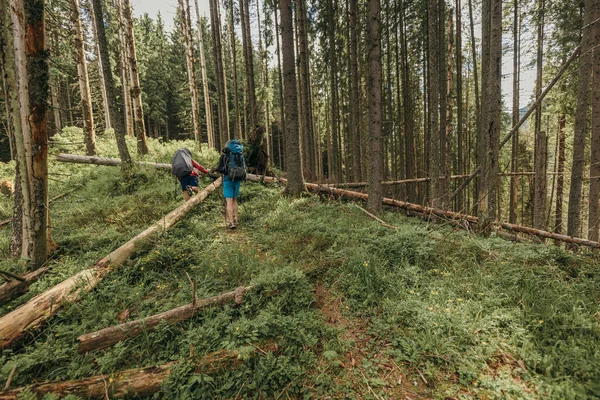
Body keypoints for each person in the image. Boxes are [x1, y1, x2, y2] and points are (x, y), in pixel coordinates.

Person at [215, 140, 246, 229]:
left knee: (229, 202)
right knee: (235, 200)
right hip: (238, 178)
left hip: (228, 179)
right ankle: (236, 219)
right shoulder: (240, 155)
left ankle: (231, 222)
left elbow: (220, 168)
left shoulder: (226, 155)